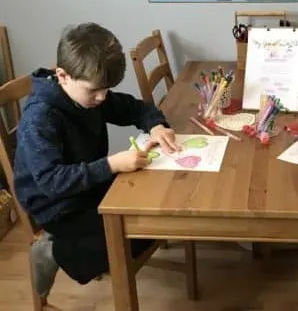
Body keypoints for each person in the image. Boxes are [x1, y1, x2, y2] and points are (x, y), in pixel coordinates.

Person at [14, 23, 180, 299]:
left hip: (88, 186)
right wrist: (112, 165)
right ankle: (52, 251)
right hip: (55, 205)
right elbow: (52, 182)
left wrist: (156, 126)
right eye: (95, 90)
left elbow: (134, 108)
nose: (102, 97)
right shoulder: (41, 117)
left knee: (152, 217)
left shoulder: (88, 94)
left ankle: (78, 246)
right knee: (133, 233)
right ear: (63, 75)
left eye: (106, 89)